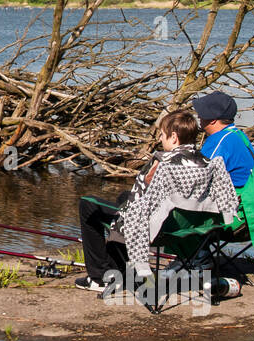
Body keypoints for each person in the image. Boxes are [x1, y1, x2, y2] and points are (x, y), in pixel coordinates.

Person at [77, 108, 236, 291]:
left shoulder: (162, 163)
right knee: (123, 196)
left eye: (162, 135)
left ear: (174, 137)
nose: (160, 139)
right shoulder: (209, 163)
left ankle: (100, 277)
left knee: (88, 204)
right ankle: (118, 269)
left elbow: (138, 204)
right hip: (190, 230)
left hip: (160, 231)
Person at [192, 90, 254, 189]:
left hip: (236, 199)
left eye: (202, 113)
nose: (199, 116)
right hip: (250, 193)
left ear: (213, 120)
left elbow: (198, 178)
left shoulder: (219, 141)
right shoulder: (238, 134)